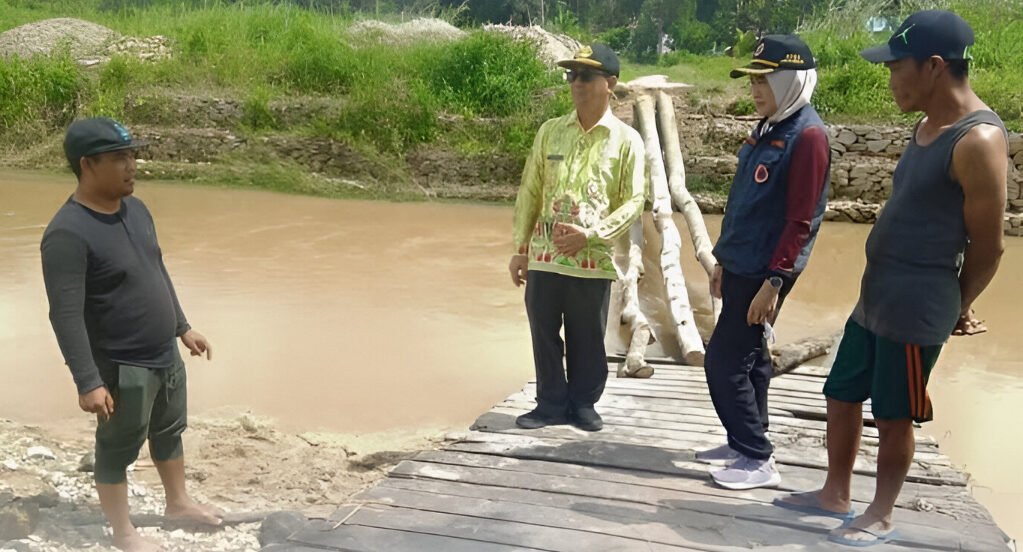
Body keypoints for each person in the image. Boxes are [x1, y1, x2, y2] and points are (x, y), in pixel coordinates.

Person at [775, 11, 1008, 547]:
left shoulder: (978, 140)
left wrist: (956, 305)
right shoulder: (926, 126)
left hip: (916, 306)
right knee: (841, 391)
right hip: (875, 296)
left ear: (933, 66)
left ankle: (880, 512)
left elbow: (990, 246)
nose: (890, 79)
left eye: (896, 66)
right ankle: (835, 492)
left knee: (895, 413)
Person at [41, 118, 221, 552]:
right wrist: (88, 381)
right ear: (87, 164)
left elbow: (155, 269)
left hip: (163, 353)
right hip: (122, 365)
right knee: (118, 446)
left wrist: (182, 326)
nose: (131, 165)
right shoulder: (67, 233)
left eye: (133, 155)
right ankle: (123, 533)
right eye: (119, 158)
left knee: (169, 430)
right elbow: (64, 315)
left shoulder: (136, 210)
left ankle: (177, 503)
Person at [697, 35, 831, 491]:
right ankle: (743, 440)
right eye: (753, 79)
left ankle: (756, 457)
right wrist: (721, 259)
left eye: (765, 79)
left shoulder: (808, 136)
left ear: (791, 79)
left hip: (766, 271)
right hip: (741, 261)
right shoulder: (768, 126)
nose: (755, 89)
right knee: (752, 359)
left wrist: (774, 282)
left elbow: (800, 220)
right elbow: (741, 205)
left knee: (723, 362)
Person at [508, 43, 646, 432]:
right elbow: (530, 191)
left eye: (586, 76)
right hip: (545, 254)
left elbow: (634, 201)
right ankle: (550, 403)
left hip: (592, 258)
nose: (576, 84)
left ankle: (584, 403)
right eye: (571, 75)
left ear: (610, 83)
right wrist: (520, 249)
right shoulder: (550, 132)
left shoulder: (626, 141)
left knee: (587, 335)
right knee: (544, 331)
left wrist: (592, 235)